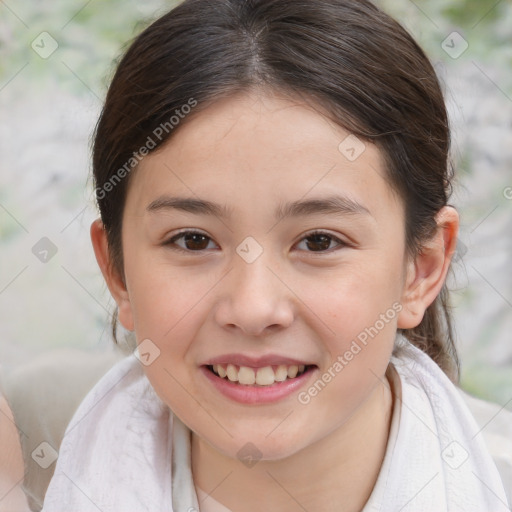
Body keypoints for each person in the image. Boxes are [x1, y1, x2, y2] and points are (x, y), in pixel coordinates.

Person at [36, 0, 510, 510]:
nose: (253, 309)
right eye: (193, 240)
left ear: (421, 268)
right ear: (117, 271)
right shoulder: (29, 457)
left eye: (319, 241)